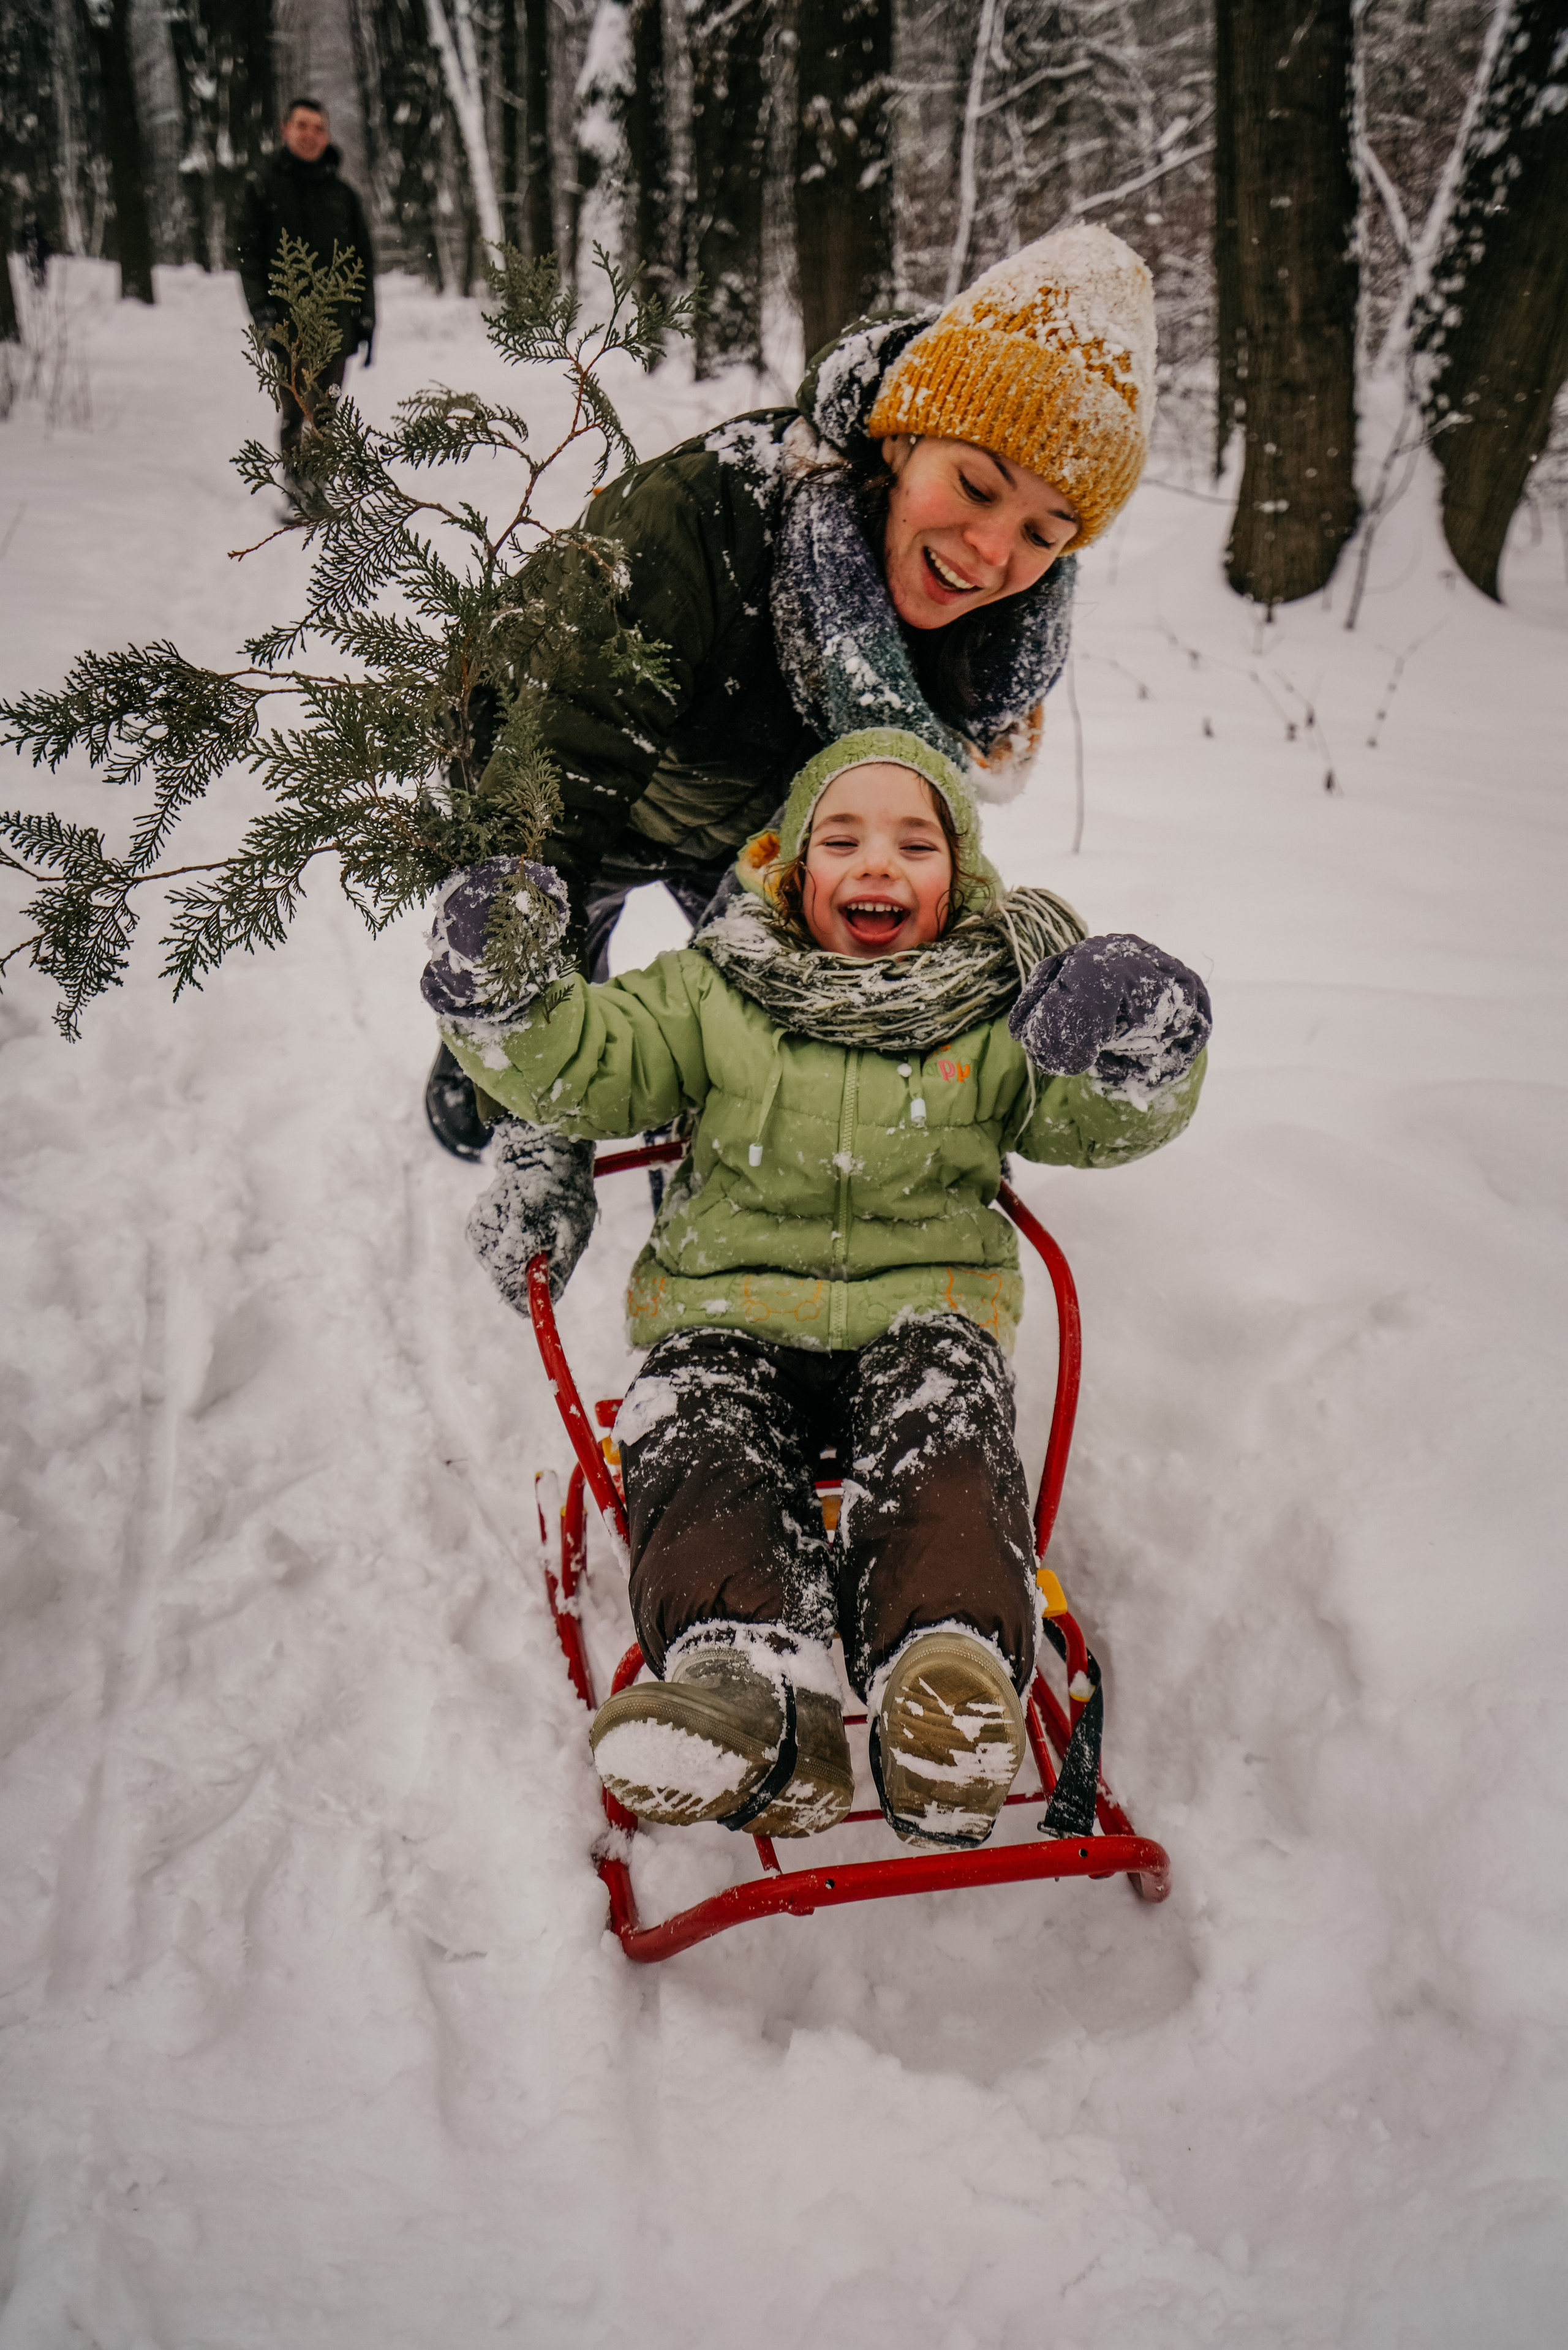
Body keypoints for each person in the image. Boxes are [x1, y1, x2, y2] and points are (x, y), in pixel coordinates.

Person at [421, 728, 1210, 1849]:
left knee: (946, 1434)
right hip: (727, 1314)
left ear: (963, 876)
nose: (877, 864)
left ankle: (950, 1677)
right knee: (697, 1436)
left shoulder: (997, 1010)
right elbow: (591, 1060)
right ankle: (749, 1690)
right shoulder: (714, 988)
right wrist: (508, 999)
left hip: (921, 1311)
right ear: (791, 871)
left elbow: (1090, 1123)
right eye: (841, 838)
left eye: (915, 842)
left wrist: (1140, 1050)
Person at [429, 220, 1155, 1299]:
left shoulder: (998, 633)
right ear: (904, 438)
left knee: (753, 993)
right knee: (547, 947)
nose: (996, 551)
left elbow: (900, 867)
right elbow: (545, 800)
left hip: (754, 812)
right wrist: (542, 1117)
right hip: (592, 773)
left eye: (1048, 530)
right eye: (979, 484)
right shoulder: (700, 521)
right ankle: (479, 1063)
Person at [235, 97, 375, 495]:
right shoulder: (262, 187)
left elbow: (363, 262)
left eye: (318, 127)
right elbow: (247, 256)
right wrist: (262, 311)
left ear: (326, 135)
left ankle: (321, 484)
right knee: (296, 408)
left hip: (338, 326)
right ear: (286, 129)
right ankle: (297, 489)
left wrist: (367, 317)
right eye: (302, 125)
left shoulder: (343, 195)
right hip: (288, 324)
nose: (310, 134)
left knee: (328, 410)